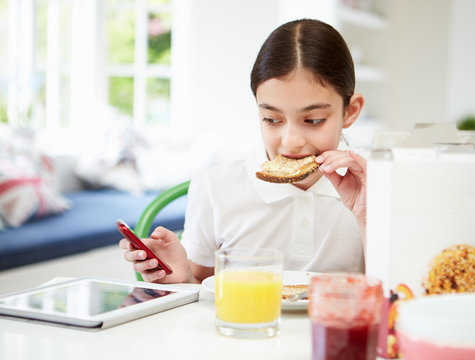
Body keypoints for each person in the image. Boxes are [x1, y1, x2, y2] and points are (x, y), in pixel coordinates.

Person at [119, 19, 368, 284]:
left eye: (314, 120)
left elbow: (401, 291)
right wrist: (182, 279)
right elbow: (203, 287)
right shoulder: (216, 186)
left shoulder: (377, 184)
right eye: (272, 119)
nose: (291, 141)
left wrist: (367, 215)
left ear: (350, 111)